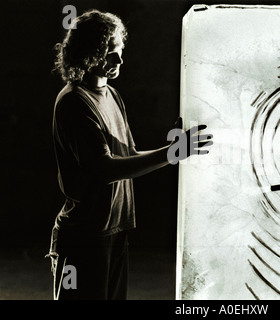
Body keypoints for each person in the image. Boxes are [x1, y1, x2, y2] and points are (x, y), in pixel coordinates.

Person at [47, 9, 212, 300]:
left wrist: (174, 149)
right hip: (85, 237)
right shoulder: (74, 102)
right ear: (88, 53)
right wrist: (172, 152)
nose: (120, 60)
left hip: (115, 229)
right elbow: (106, 169)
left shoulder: (112, 94)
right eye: (111, 53)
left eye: (120, 51)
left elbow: (129, 154)